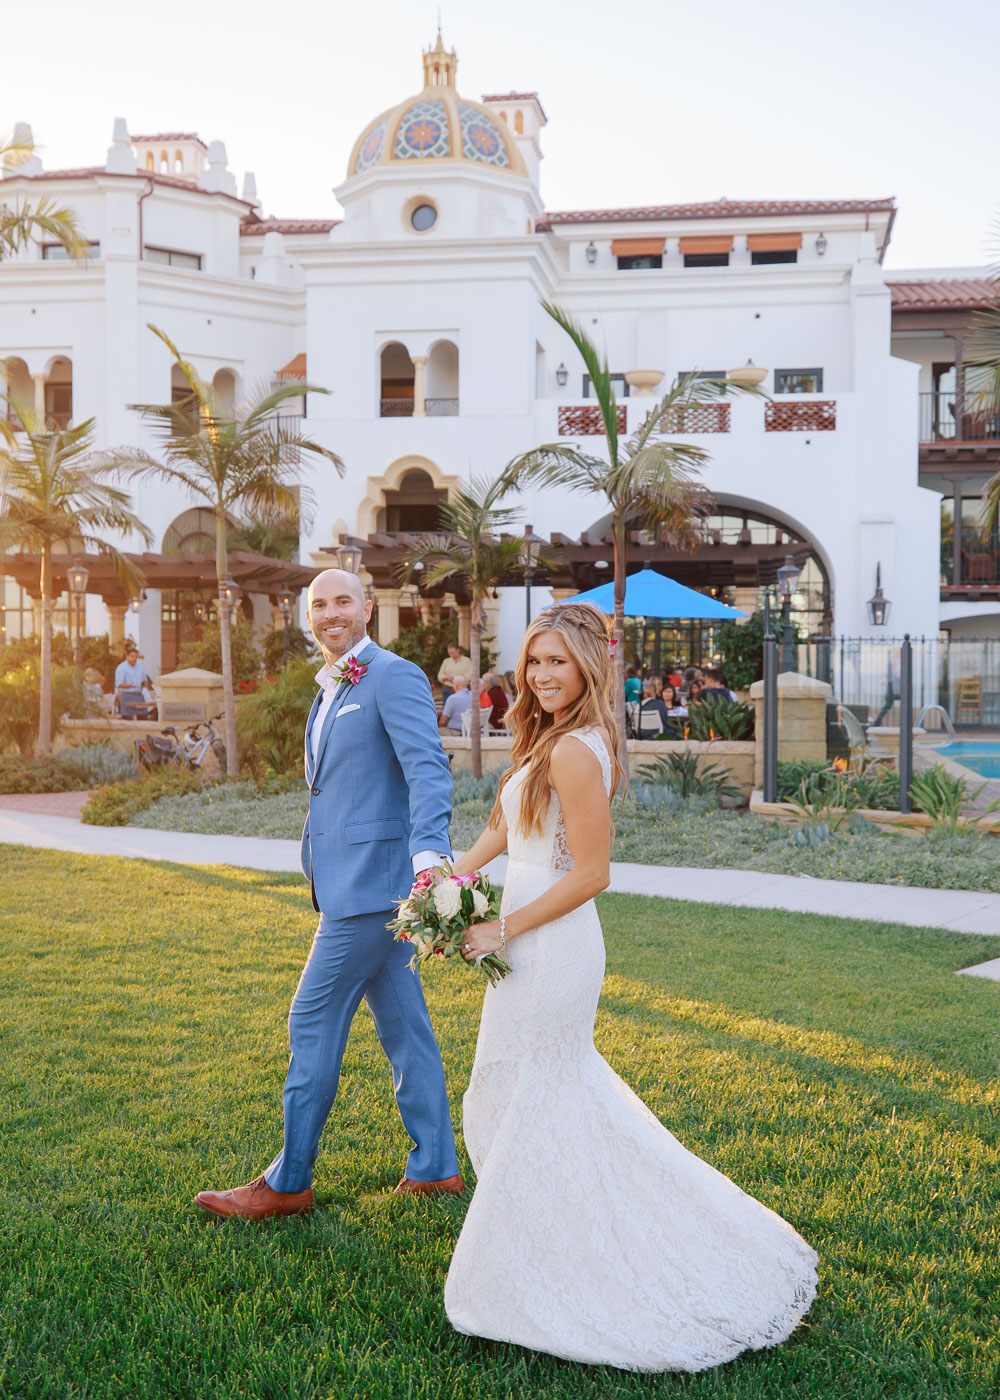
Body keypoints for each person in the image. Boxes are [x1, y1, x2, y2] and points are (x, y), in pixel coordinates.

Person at [444, 602, 817, 1371]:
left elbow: (591, 874)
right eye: (533, 662)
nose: (542, 675)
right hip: (517, 941)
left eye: (557, 662)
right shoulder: (544, 737)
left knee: (535, 1093)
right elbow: (503, 830)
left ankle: (569, 1260)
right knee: (504, 1091)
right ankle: (549, 1233)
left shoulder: (579, 751)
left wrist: (501, 929)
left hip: (549, 950)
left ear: (587, 666)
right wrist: (446, 887)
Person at [196, 568, 462, 1219]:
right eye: (319, 604)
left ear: (367, 608)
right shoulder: (333, 686)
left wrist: (430, 854)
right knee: (405, 1028)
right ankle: (435, 1167)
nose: (331, 612)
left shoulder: (392, 675)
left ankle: (287, 1183)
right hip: (350, 883)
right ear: (307, 616)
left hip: (374, 889)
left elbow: (427, 766)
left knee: (311, 1019)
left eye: (343, 600)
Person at [113, 646, 151, 715]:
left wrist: (145, 685)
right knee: (128, 720)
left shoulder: (140, 667)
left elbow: (144, 681)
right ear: (127, 656)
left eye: (136, 657)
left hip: (139, 695)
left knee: (143, 717)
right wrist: (129, 686)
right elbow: (118, 684)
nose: (134, 658)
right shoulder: (121, 668)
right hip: (126, 696)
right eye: (132, 656)